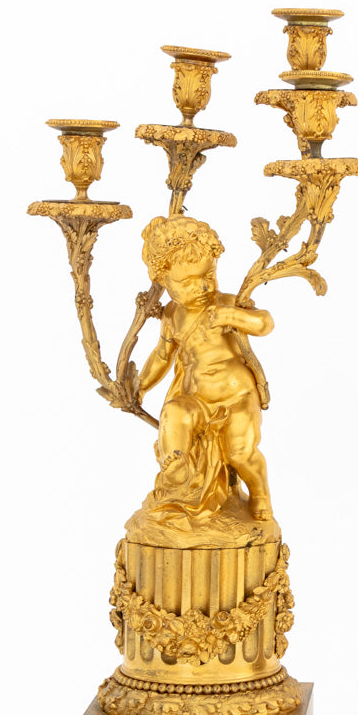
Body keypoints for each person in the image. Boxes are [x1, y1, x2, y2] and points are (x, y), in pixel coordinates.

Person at [136, 215, 275, 533]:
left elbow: (264, 323)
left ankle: (259, 492)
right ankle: (177, 467)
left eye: (208, 276)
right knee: (174, 413)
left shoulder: (225, 304)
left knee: (241, 453)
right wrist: (140, 385)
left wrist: (231, 316)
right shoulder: (172, 315)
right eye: (187, 282)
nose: (202, 287)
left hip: (237, 397)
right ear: (164, 281)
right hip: (196, 398)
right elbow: (162, 356)